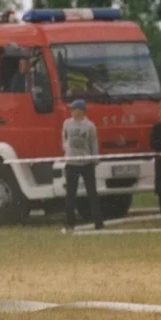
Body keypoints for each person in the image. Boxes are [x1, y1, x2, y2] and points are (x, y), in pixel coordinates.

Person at [62, 99, 103, 232]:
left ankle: (98, 222)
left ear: (80, 110)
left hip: (86, 163)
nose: (72, 111)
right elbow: (64, 138)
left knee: (92, 193)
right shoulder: (67, 123)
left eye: (74, 109)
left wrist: (94, 160)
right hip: (71, 163)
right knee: (70, 194)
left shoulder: (90, 126)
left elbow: (93, 143)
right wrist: (67, 152)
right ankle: (70, 223)